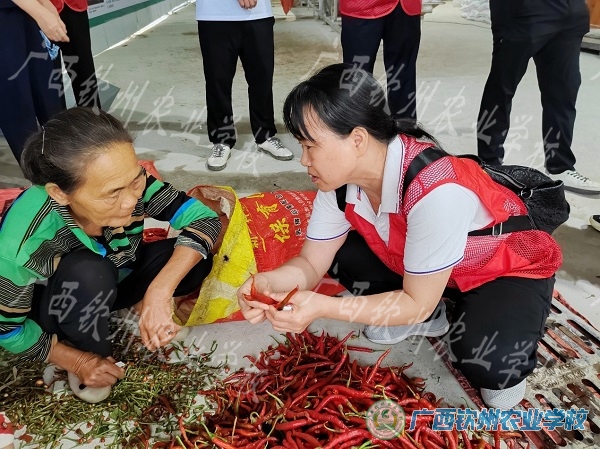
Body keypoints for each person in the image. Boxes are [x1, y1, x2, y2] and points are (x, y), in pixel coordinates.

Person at [237, 64, 562, 409]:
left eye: (310, 146)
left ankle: (497, 335)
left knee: (489, 365)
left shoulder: (436, 191)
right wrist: (267, 282)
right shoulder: (339, 187)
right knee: (344, 254)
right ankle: (432, 315)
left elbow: (416, 301)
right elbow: (310, 262)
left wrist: (324, 307)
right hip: (432, 272)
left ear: (357, 140)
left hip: (500, 268)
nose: (304, 160)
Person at [0, 107, 221, 402]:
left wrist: (158, 292)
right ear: (60, 193)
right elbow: (7, 330)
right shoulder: (21, 243)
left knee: (196, 258)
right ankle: (80, 346)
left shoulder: (129, 181)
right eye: (113, 193)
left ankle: (130, 304)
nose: (131, 200)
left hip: (117, 273)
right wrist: (78, 361)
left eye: (136, 181)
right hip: (58, 303)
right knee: (89, 273)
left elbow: (204, 220)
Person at [477, 0, 600, 194]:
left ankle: (560, 165)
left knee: (563, 93)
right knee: (501, 89)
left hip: (569, 12)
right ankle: (489, 165)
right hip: (523, 12)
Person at [196, 0, 293, 171]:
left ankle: (265, 134)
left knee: (262, 78)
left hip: (258, 15)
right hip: (214, 15)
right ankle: (222, 139)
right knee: (217, 80)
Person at [0, 0, 67, 163]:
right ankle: (37, 171)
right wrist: (39, 11)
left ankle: (64, 161)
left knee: (49, 97)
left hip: (24, 13)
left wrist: (44, 4)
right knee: (17, 104)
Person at [340, 0, 421, 120]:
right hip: (361, 6)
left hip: (405, 6)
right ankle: (356, 124)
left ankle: (404, 126)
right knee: (357, 74)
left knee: (403, 72)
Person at [51, 0, 101, 108]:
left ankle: (91, 115)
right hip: (40, 11)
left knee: (84, 68)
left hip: (74, 7)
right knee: (50, 75)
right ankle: (54, 117)